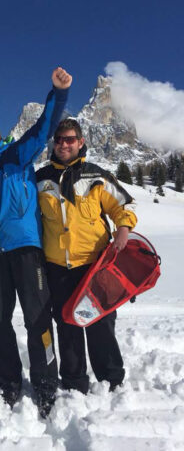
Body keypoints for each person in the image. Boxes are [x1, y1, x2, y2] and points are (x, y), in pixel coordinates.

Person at [0, 67, 72, 418]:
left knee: (38, 320)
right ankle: (8, 380)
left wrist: (58, 93)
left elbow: (44, 127)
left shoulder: (17, 156)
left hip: (27, 250)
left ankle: (45, 384)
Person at [36, 117, 137, 394]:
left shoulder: (97, 176)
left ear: (81, 142)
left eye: (70, 139)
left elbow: (121, 206)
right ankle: (73, 382)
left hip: (94, 266)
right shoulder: (41, 179)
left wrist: (124, 229)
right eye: (59, 140)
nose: (64, 144)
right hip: (57, 266)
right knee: (67, 322)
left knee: (100, 322)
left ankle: (111, 379)